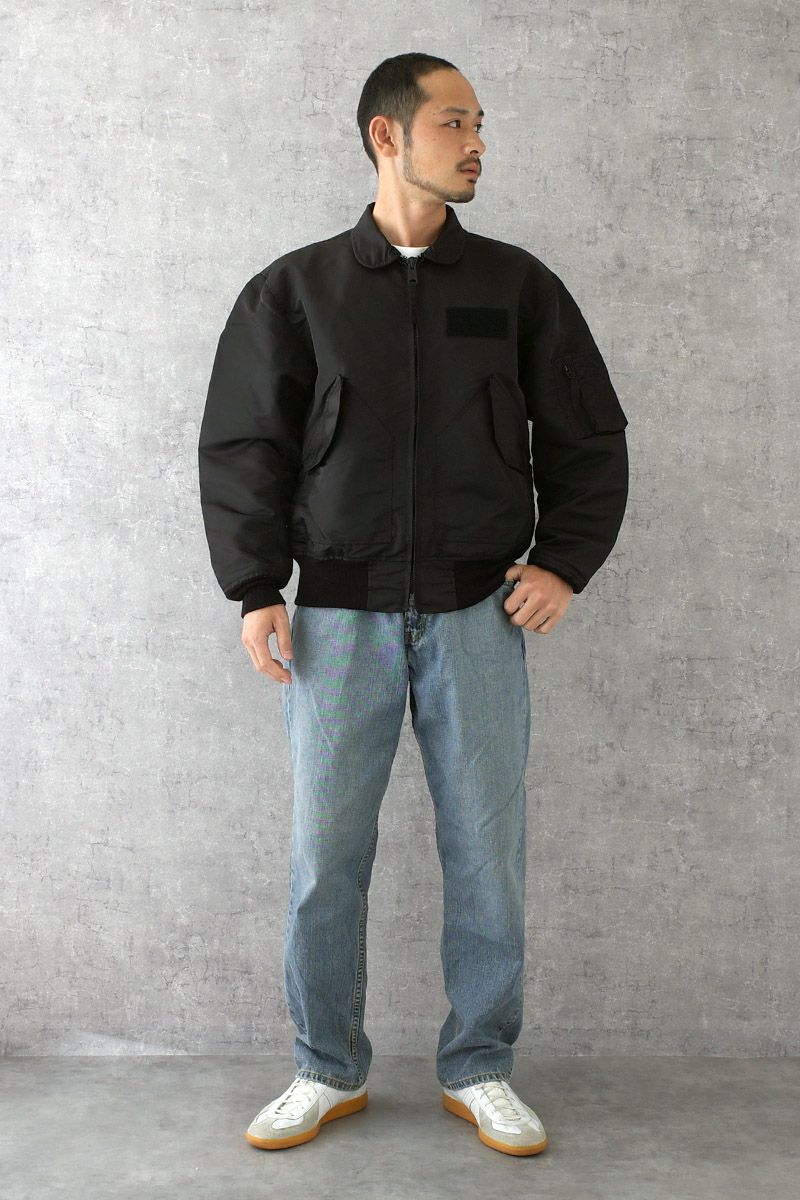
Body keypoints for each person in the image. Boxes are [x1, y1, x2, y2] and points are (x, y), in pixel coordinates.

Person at [198, 51, 629, 1157]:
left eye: (479, 123)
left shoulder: (517, 286)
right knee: (323, 859)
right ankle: (324, 1066)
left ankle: (479, 1066)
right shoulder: (295, 290)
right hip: (336, 620)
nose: (476, 142)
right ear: (386, 136)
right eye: (453, 122)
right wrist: (254, 587)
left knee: (487, 856)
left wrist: (561, 562)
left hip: (479, 614)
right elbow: (244, 444)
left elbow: (586, 434)